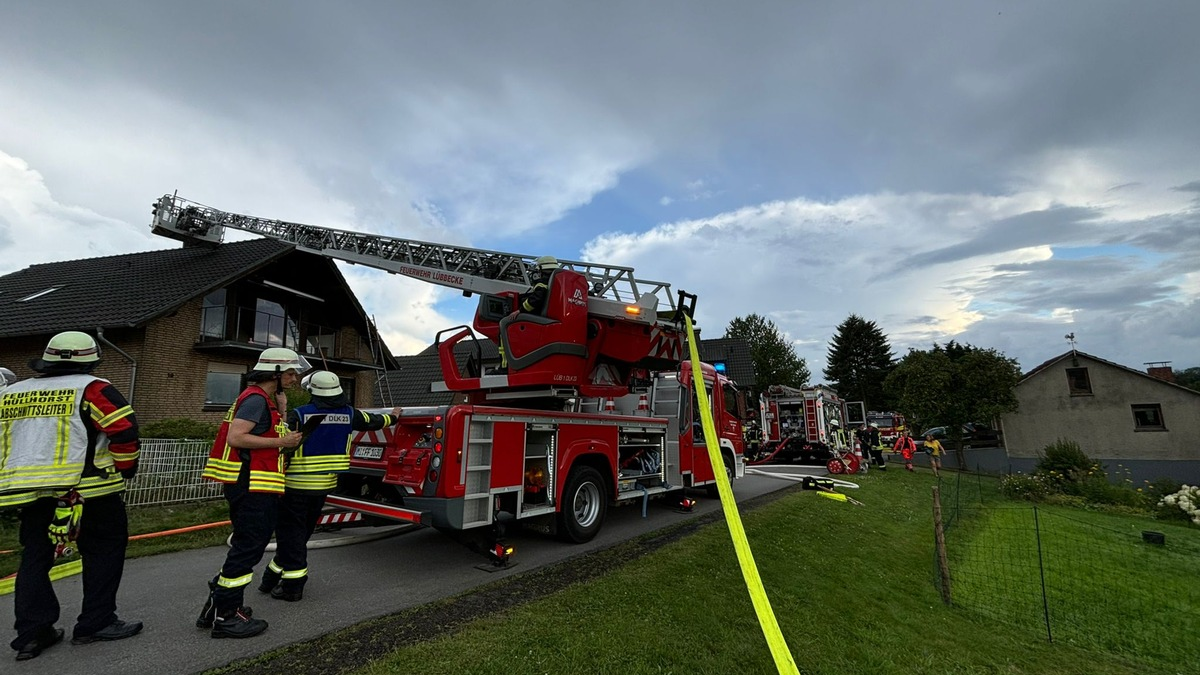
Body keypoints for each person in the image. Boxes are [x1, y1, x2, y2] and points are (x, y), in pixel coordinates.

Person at [1, 331, 143, 660]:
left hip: (33, 492)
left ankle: (32, 634)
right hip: (91, 492)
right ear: (91, 360)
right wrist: (126, 468)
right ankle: (95, 623)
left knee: (35, 558)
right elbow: (123, 430)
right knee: (104, 553)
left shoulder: (12, 393)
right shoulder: (93, 389)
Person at [258, 371, 402, 602]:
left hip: (296, 485)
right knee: (300, 533)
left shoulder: (301, 415)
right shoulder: (349, 414)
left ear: (313, 391)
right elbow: (375, 422)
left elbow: (279, 438)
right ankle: (271, 578)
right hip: (324, 485)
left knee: (291, 533)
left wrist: (282, 409)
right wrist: (394, 416)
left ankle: (292, 586)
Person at [196, 347, 309, 639]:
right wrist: (283, 441)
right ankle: (227, 617)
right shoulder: (256, 400)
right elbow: (238, 437)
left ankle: (217, 606)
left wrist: (282, 412)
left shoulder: (261, 400)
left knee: (246, 546)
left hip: (249, 485)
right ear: (274, 373)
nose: (295, 378)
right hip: (251, 486)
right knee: (247, 548)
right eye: (290, 372)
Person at [497, 255, 559, 371]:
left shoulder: (542, 282)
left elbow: (536, 300)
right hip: (548, 319)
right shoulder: (557, 281)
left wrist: (520, 310)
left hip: (538, 319)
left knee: (504, 325)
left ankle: (505, 367)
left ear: (541, 269)